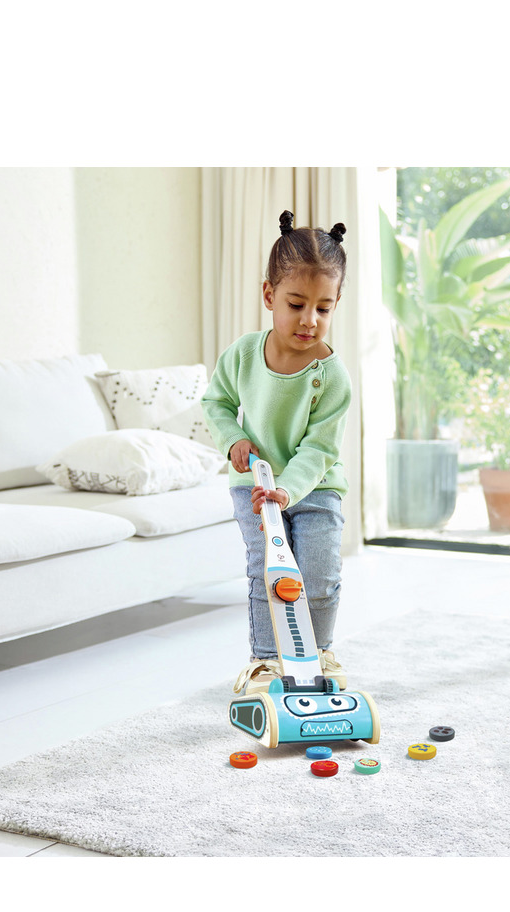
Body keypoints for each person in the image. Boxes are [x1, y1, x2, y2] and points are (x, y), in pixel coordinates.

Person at [201, 210, 351, 696]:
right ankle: (266, 661)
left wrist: (288, 489)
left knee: (318, 576)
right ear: (269, 295)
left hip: (315, 487)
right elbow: (216, 403)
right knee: (267, 573)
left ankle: (319, 654)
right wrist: (233, 439)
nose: (310, 320)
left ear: (336, 304)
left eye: (323, 308)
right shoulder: (244, 354)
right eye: (296, 304)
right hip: (254, 488)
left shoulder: (332, 376)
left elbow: (320, 447)